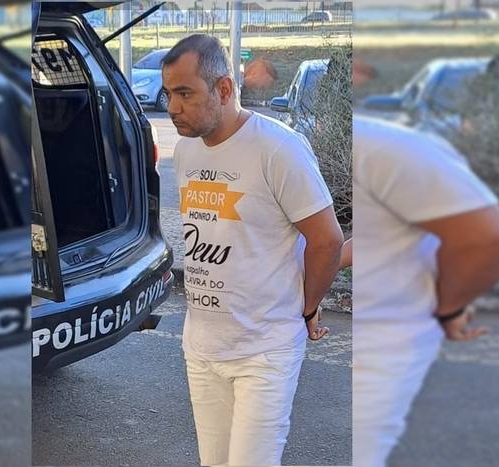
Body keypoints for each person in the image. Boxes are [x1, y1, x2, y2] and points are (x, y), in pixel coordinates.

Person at [162, 34, 344, 466]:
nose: (171, 108)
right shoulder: (185, 152)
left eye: (185, 93)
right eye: (168, 94)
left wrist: (307, 308)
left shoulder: (278, 149)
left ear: (224, 89)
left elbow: (326, 241)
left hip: (265, 351)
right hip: (202, 346)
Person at [351, 59, 499, 467]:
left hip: (382, 345)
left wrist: (447, 305)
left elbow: (492, 242)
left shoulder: (393, 147)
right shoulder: (393, 148)